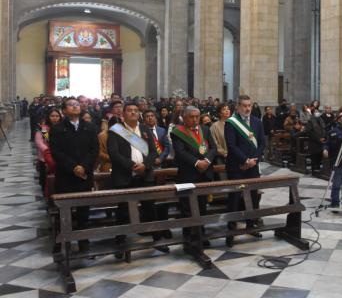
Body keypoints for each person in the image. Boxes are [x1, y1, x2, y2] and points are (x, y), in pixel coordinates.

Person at [107, 102, 168, 254]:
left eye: (135, 110)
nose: (133, 113)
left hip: (144, 175)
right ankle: (120, 242)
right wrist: (133, 166)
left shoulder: (144, 129)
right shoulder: (116, 130)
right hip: (124, 175)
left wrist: (145, 166)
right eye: (129, 110)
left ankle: (157, 238)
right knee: (122, 211)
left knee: (150, 208)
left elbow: (153, 152)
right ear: (123, 114)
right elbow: (114, 154)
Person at [49, 97, 99, 252]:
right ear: (64, 110)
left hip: (85, 175)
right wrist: (73, 167)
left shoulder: (90, 127)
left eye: (77, 105)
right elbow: (56, 152)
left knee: (84, 209)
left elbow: (94, 150)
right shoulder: (57, 129)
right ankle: (66, 241)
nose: (75, 107)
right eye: (71, 105)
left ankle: (84, 241)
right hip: (66, 175)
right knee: (66, 210)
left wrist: (84, 166)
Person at [224, 95, 266, 246]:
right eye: (244, 105)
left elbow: (262, 143)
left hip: (252, 166)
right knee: (234, 198)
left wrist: (253, 160)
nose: (247, 108)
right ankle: (231, 230)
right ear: (238, 107)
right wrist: (244, 160)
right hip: (236, 166)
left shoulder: (256, 121)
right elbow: (231, 145)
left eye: (249, 105)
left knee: (253, 197)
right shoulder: (231, 123)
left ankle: (251, 225)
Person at [171, 106, 217, 245]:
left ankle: (200, 233)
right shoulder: (177, 132)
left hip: (204, 173)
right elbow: (180, 152)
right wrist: (197, 163)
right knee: (186, 207)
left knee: (202, 205)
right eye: (191, 117)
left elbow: (213, 148)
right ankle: (188, 236)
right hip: (187, 174)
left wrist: (207, 161)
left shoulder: (205, 129)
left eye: (197, 116)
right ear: (184, 118)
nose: (195, 119)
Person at [35, 108, 62, 197]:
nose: (54, 118)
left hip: (59, 156)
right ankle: (47, 196)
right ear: (48, 117)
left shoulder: (63, 127)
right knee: (45, 178)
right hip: (46, 157)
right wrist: (48, 151)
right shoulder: (44, 129)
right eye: (52, 116)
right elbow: (43, 142)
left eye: (57, 116)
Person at [304, 107, 329, 175]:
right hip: (314, 143)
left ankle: (319, 170)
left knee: (320, 157)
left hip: (322, 142)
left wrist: (324, 137)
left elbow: (324, 129)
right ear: (313, 113)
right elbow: (309, 132)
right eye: (315, 112)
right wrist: (318, 139)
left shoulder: (321, 120)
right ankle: (314, 171)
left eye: (317, 111)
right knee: (314, 157)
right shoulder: (310, 121)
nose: (317, 113)